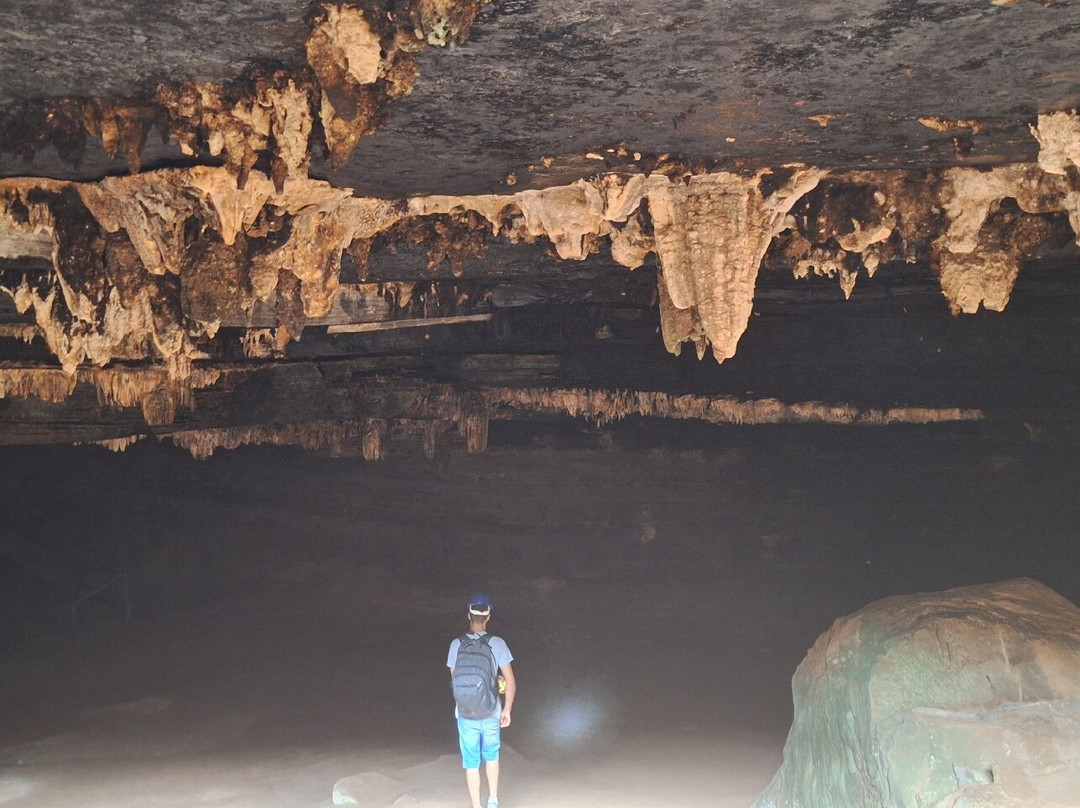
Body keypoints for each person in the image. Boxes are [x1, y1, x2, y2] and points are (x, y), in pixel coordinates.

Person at [447, 594, 516, 808]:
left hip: (465, 713)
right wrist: (507, 709)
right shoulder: (498, 643)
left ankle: (476, 806)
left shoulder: (456, 644)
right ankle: (493, 801)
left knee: (471, 763)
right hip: (491, 711)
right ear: (488, 617)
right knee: (491, 756)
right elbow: (511, 682)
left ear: (468, 615)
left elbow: (456, 680)